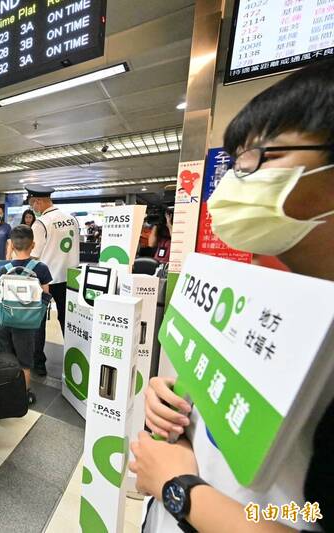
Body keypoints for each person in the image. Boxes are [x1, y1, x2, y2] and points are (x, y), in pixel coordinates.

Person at [131, 59, 334, 533]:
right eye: (237, 162)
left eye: (261, 159)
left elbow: (308, 518)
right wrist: (175, 406)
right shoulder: (261, 293)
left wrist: (180, 489)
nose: (234, 183)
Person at [26, 185, 80, 376]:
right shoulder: (72, 218)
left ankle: (38, 364)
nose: (34, 207)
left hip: (46, 280)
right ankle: (75, 359)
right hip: (71, 280)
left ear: (38, 201)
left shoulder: (41, 223)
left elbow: (34, 255)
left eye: (33, 203)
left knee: (38, 322)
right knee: (69, 321)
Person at [0, 225, 52, 405]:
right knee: (25, 361)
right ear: (33, 244)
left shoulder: (4, 269)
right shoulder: (41, 268)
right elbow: (45, 294)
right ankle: (24, 393)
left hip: (4, 320)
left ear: (11, 244)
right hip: (27, 323)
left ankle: (6, 390)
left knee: (5, 355)